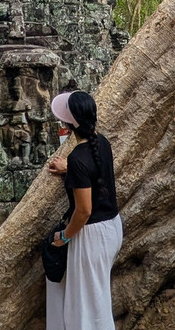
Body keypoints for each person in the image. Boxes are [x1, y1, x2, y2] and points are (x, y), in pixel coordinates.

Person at [46, 90, 122, 330]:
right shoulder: (102, 143)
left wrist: (64, 237)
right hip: (112, 227)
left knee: (89, 309)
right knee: (96, 299)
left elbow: (84, 211)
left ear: (68, 125)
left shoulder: (79, 157)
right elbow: (94, 172)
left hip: (91, 235)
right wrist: (69, 168)